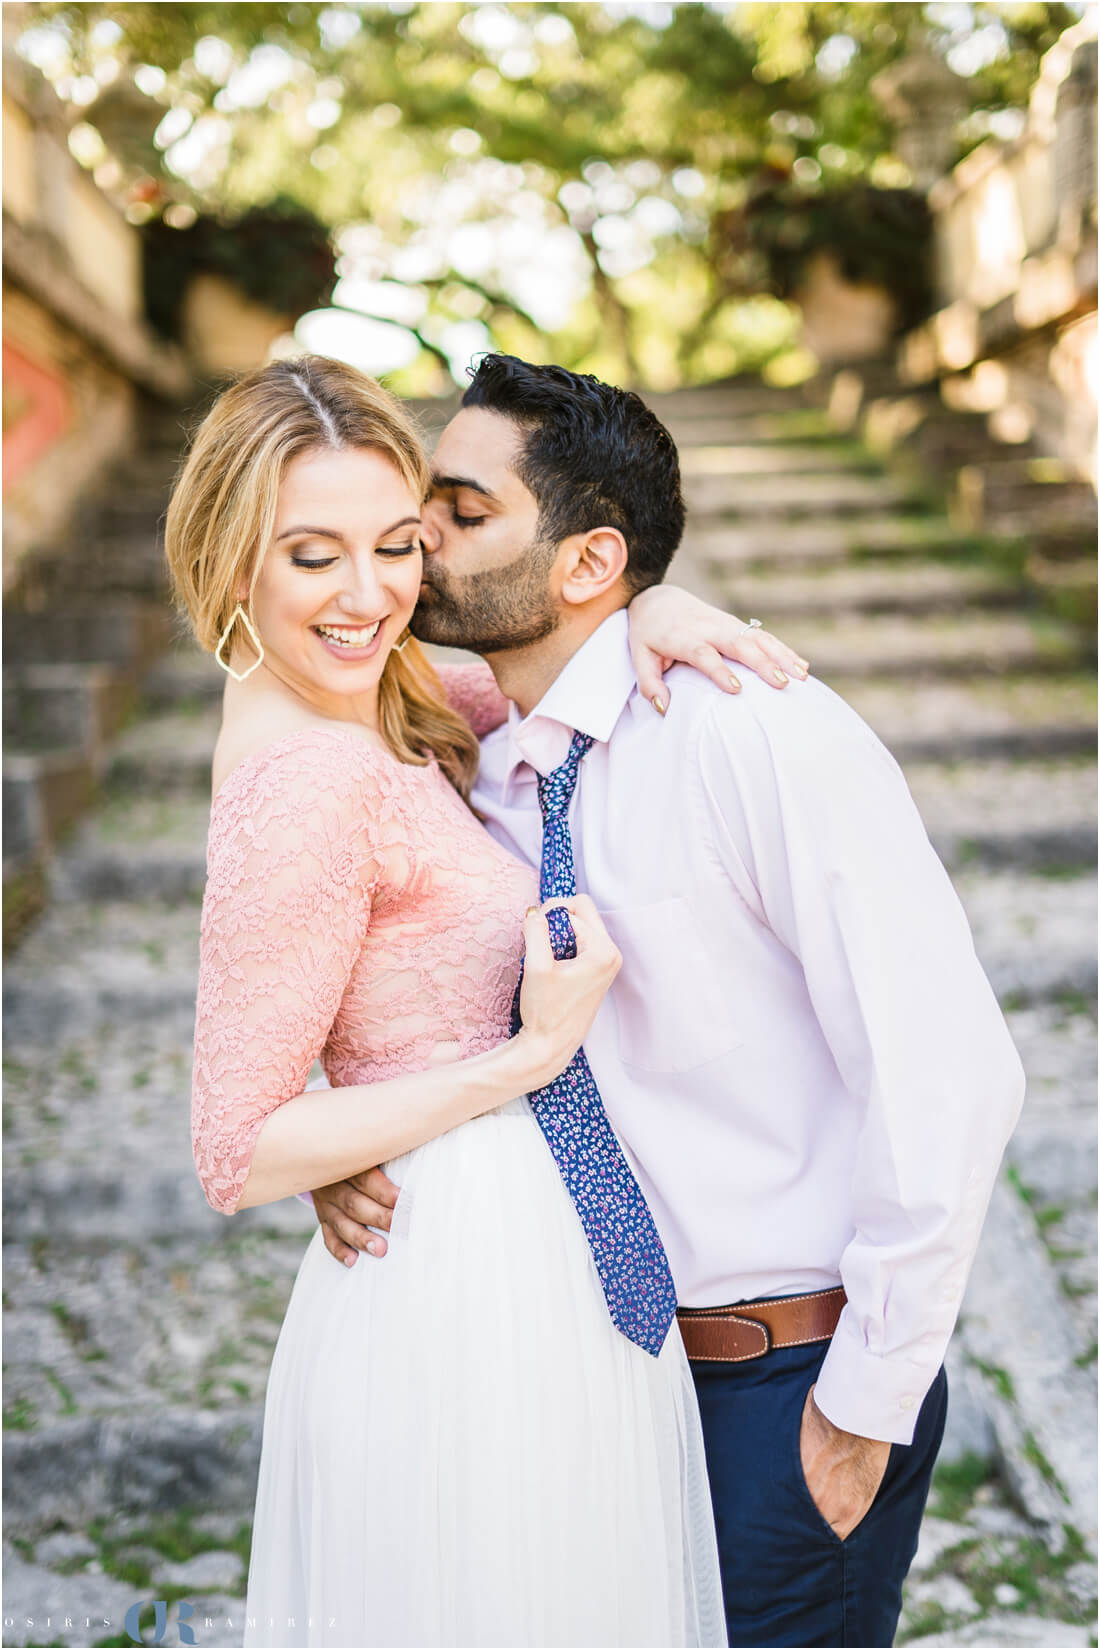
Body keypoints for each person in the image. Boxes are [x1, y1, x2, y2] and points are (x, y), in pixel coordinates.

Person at [310, 354, 1028, 1648]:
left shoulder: (755, 734)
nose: (420, 539)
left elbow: (948, 1071)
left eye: (465, 514)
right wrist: (345, 1141)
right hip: (587, 1390)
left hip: (783, 1377)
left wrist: (865, 1404)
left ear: (589, 563)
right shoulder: (479, 772)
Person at [173, 353, 807, 1650]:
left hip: (535, 1250)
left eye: (397, 544)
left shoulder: (387, 694)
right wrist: (521, 1057)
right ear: (234, 561)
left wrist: (648, 606)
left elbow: (543, 670)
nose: (369, 596)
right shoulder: (304, 781)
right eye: (311, 557)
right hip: (456, 1283)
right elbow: (236, 1147)